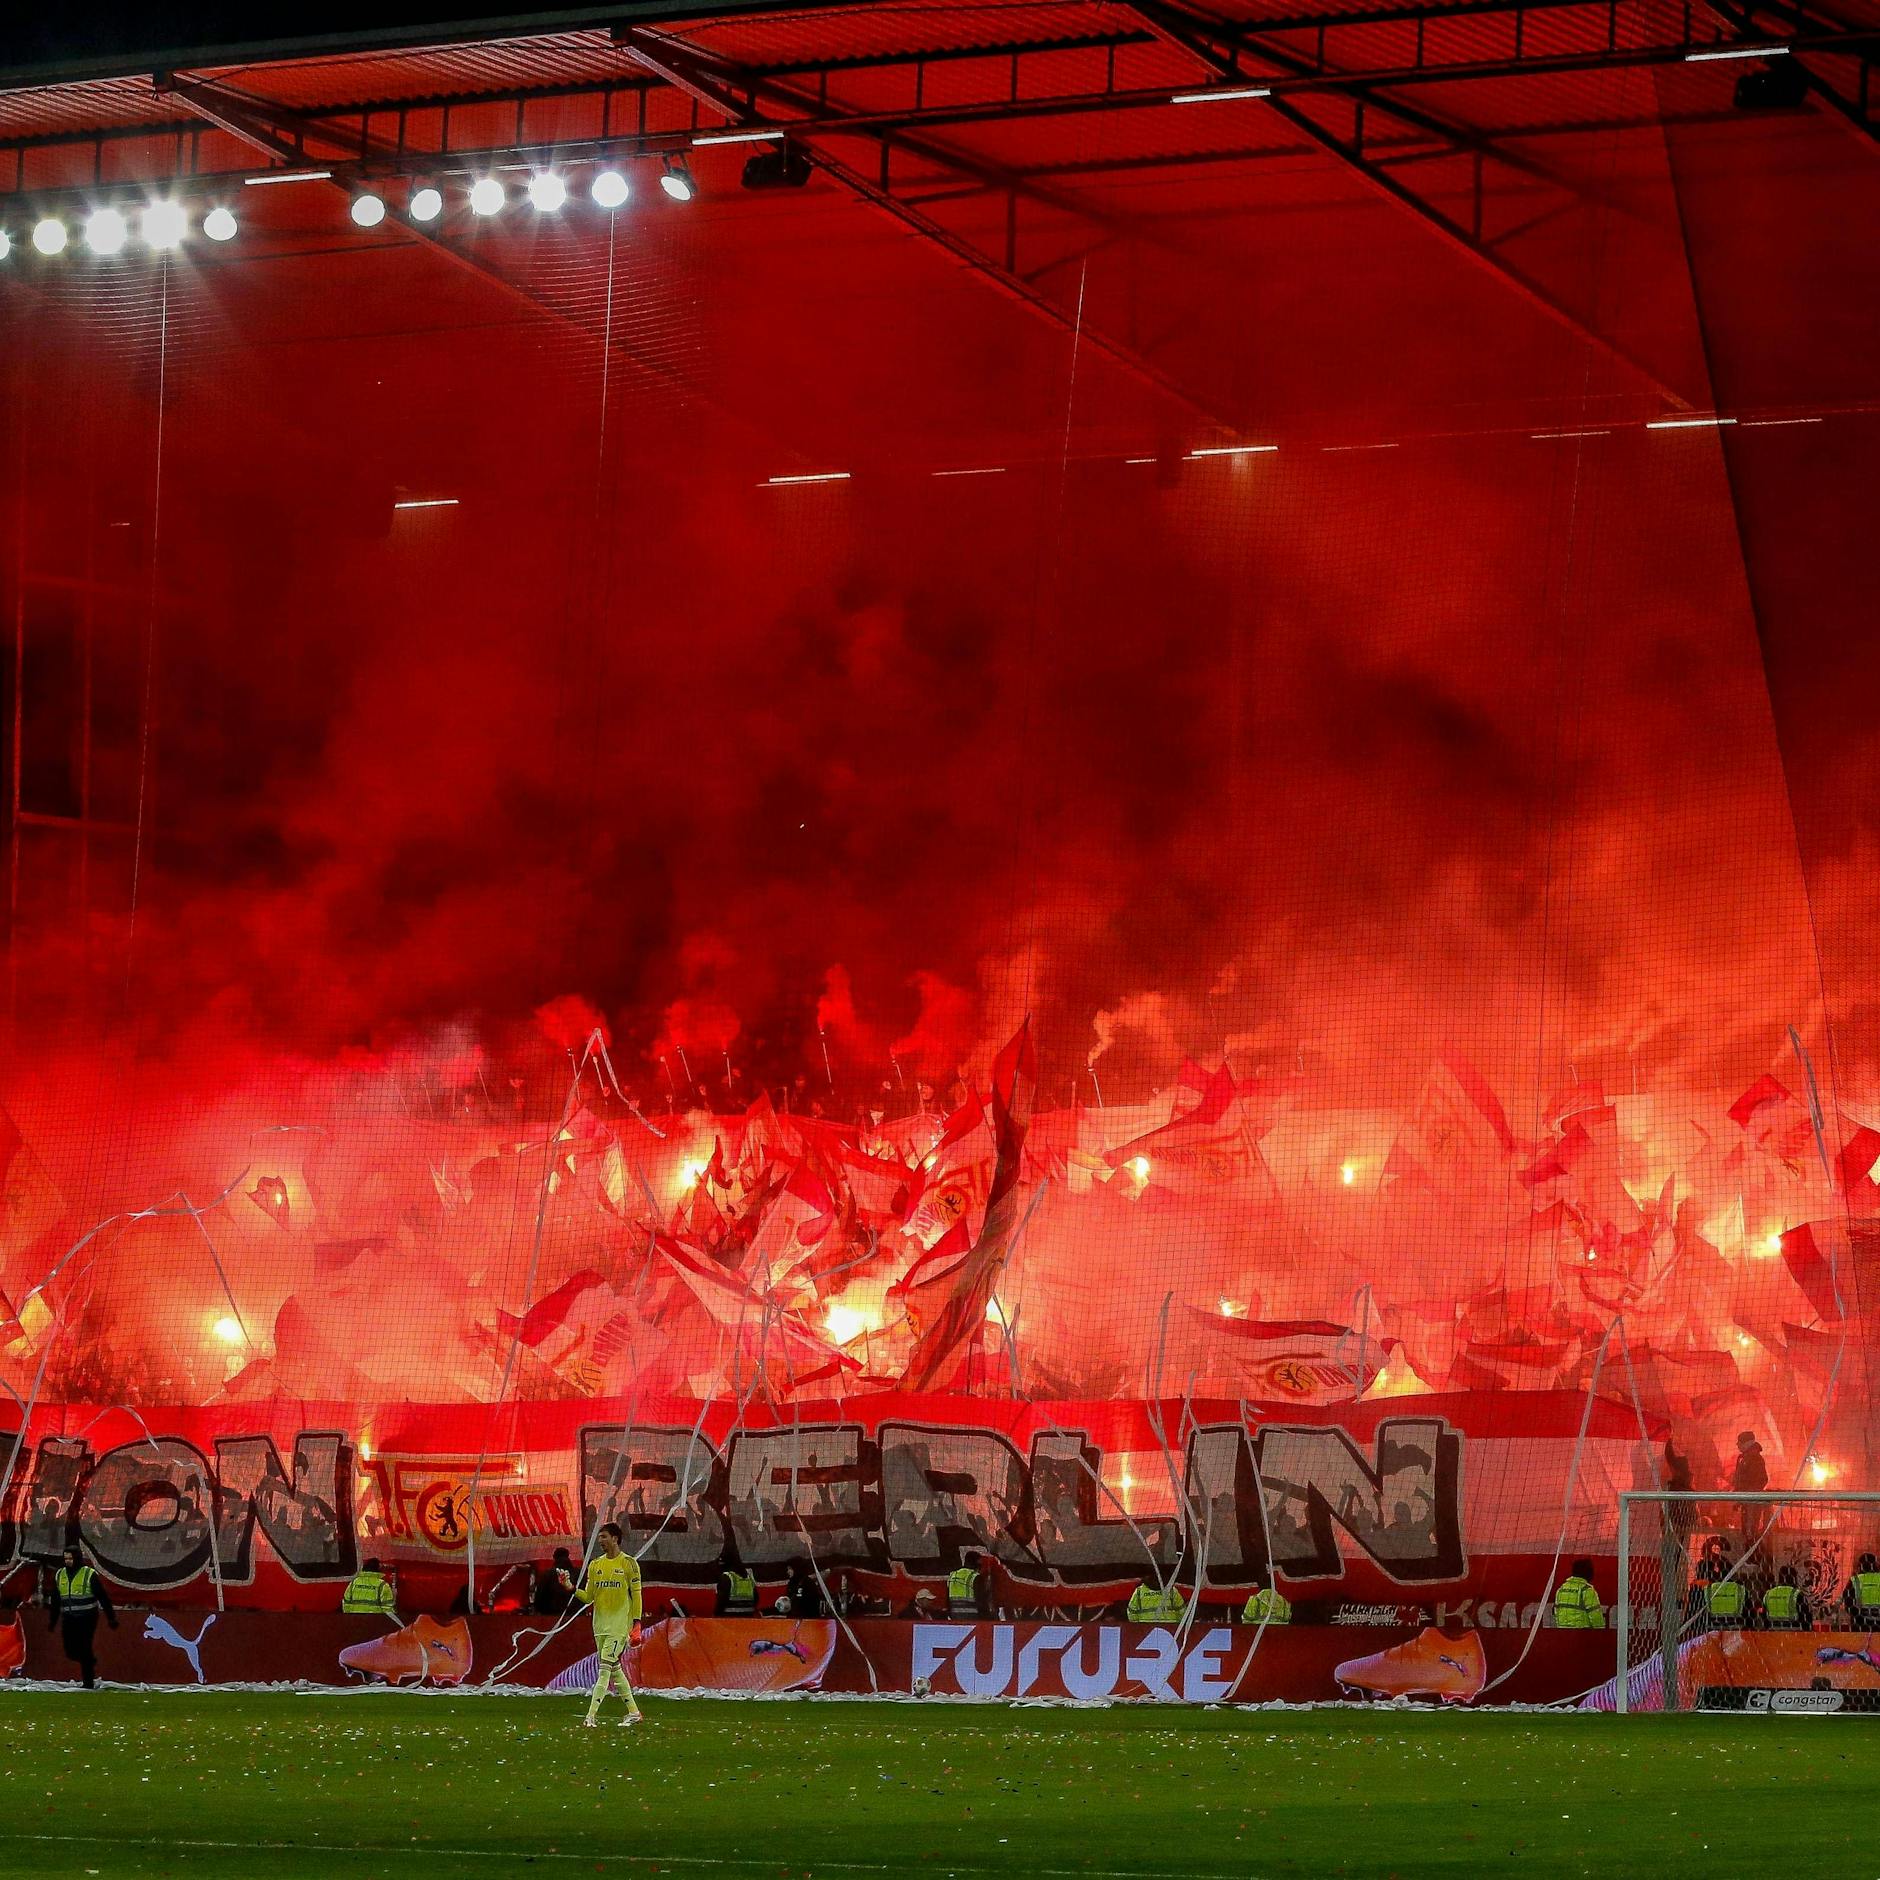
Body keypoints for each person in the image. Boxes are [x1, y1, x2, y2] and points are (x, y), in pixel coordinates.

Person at [574, 1522, 643, 1729]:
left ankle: (590, 1717)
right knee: (614, 1670)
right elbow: (588, 1597)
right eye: (599, 1537)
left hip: (619, 1627)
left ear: (615, 1538)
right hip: (599, 1626)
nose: (600, 1541)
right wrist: (570, 1588)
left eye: (604, 1537)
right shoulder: (595, 1565)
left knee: (603, 1670)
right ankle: (634, 1712)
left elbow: (637, 1595)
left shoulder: (629, 1564)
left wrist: (637, 1623)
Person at [47, 1544, 117, 1689]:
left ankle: (88, 1682)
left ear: (77, 1558)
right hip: (68, 1617)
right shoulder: (60, 1574)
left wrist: (111, 1617)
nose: (67, 1561)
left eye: (70, 1558)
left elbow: (102, 1597)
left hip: (87, 1617)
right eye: (65, 1559)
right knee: (70, 1650)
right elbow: (55, 1599)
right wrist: (53, 1621)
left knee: (85, 1647)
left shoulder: (89, 1574)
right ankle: (89, 1661)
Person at [1553, 1558, 1606, 1629]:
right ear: (1588, 1573)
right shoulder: (1587, 1590)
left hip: (1562, 1632)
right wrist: (1601, 1632)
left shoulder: (1561, 1589)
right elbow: (1596, 1616)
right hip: (1582, 1633)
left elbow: (1556, 1612)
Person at [1760, 1565, 1810, 1631]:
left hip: (1773, 1632)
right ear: (1794, 1578)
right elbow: (1806, 1617)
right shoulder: (1796, 1594)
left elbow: (1764, 1615)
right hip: (1794, 1632)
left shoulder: (1769, 1594)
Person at [946, 1551, 992, 1620]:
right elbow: (981, 1602)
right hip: (972, 1618)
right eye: (980, 1563)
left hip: (955, 1618)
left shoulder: (952, 1575)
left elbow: (947, 1600)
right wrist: (988, 1618)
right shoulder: (975, 1577)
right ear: (976, 1563)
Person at [1842, 1551, 1880, 1628]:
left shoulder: (1855, 1580)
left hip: (1859, 1623)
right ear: (1875, 1564)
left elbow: (1847, 1601)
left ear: (1860, 1566)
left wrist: (1857, 1614)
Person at [534, 1548, 576, 1616]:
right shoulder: (577, 1573)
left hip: (551, 1614)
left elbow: (539, 1596)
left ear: (554, 1557)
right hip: (574, 1614)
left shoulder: (547, 1574)